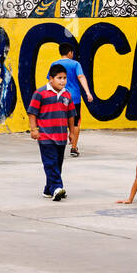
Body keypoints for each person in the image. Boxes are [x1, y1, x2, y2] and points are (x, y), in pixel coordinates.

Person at [27, 63, 75, 201]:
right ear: (50, 79)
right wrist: (34, 129)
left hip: (61, 136)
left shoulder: (67, 95)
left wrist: (71, 133)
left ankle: (49, 189)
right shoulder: (40, 93)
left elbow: (71, 115)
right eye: (59, 78)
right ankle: (57, 188)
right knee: (50, 163)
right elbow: (32, 113)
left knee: (57, 164)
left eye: (65, 78)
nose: (62, 81)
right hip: (45, 136)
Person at [53, 41, 93, 157]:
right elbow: (81, 77)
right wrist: (87, 92)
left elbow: (51, 82)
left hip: (59, 97)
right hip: (74, 98)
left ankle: (57, 147)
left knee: (59, 121)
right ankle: (74, 148)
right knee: (75, 123)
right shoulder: (75, 64)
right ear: (70, 52)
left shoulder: (54, 65)